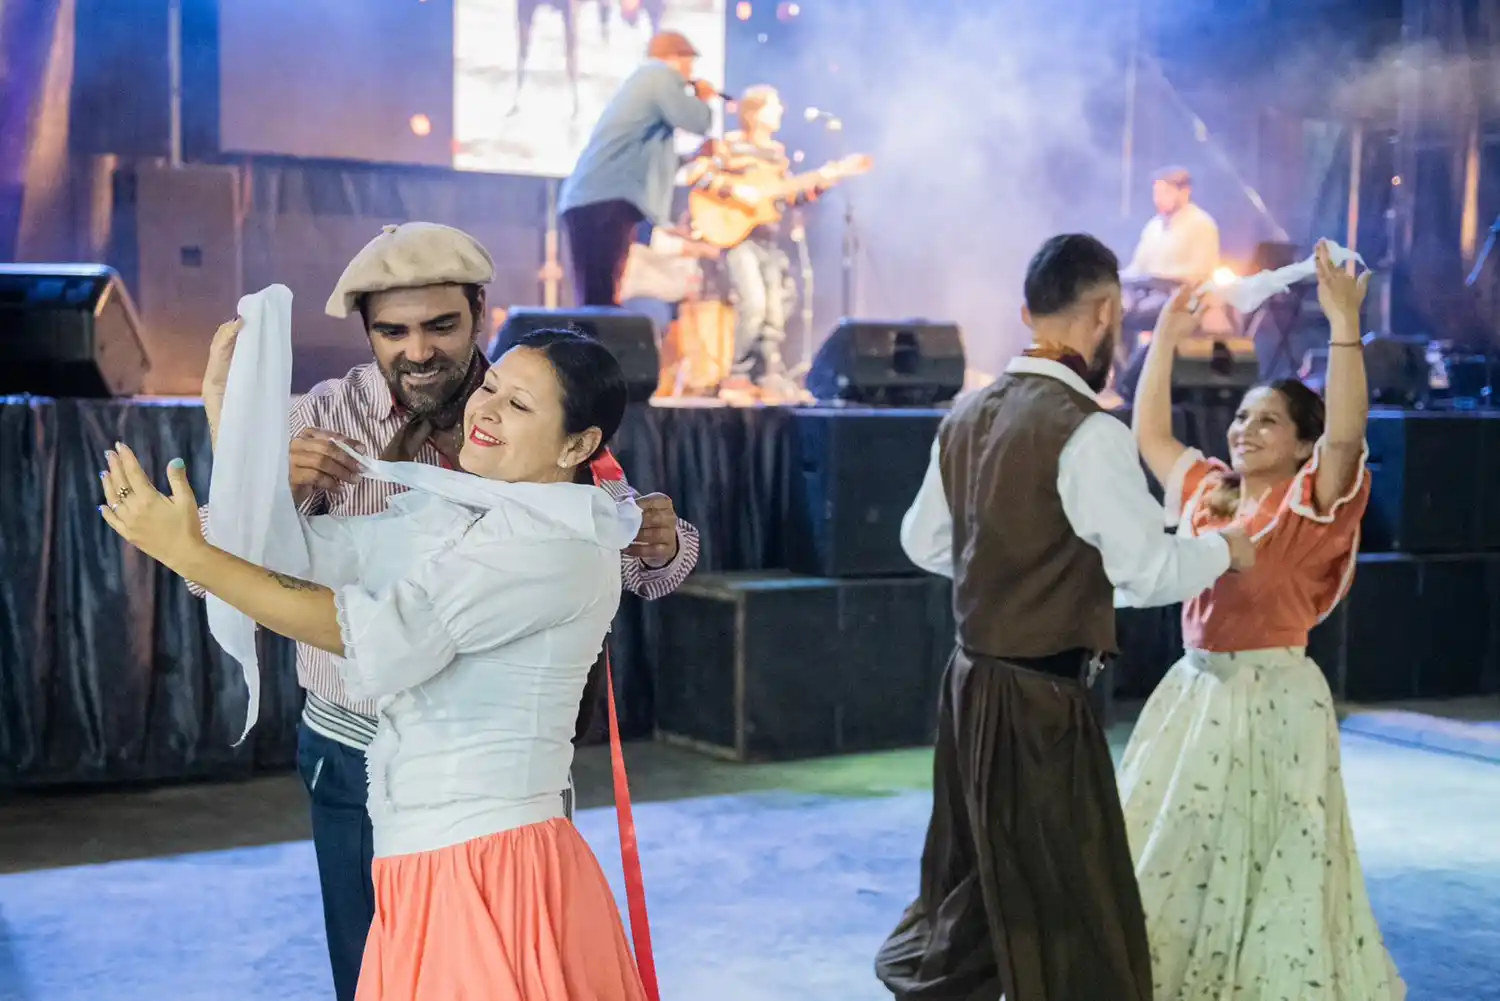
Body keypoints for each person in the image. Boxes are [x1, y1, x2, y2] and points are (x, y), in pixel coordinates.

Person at [190, 222, 700, 1001]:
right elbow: (218, 573)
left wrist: (663, 544)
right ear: (367, 330)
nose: (418, 350)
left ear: (481, 315)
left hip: (493, 787)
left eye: (441, 326)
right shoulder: (319, 416)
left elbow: (628, 553)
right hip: (353, 740)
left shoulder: (542, 401)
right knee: (374, 967)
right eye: (393, 331)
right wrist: (269, 487)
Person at [99, 325, 655, 1001]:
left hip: (491, 865)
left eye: (520, 404)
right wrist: (230, 413)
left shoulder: (556, 544)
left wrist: (190, 554)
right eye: (491, 387)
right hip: (422, 858)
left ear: (578, 445)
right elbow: (298, 553)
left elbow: (368, 629)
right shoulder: (461, 515)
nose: (486, 408)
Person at [880, 233, 1256, 1001]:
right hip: (1040, 701)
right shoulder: (1088, 431)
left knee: (974, 884)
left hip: (969, 687)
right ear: (1108, 312)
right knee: (1072, 904)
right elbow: (1145, 572)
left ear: (1027, 312)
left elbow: (922, 541)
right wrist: (1227, 551)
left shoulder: (966, 413)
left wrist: (1011, 566)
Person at [1120, 241, 1405, 1000]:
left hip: (1275, 701)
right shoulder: (1209, 493)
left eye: (1269, 422)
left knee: (1271, 861)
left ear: (1302, 445)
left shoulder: (1308, 506)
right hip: (1195, 695)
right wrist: (1166, 342)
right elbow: (1151, 436)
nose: (1244, 429)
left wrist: (1344, 323)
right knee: (1171, 850)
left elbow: (1346, 434)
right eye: (1242, 417)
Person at [558, 30, 718, 306]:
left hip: (596, 201)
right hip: (602, 202)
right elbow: (697, 121)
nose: (691, 72)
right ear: (673, 59)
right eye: (689, 63)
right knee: (600, 298)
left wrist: (693, 156)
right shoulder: (656, 75)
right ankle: (594, 347)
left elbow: (650, 157)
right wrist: (703, 98)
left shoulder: (645, 87)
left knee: (601, 295)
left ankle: (595, 345)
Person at [687, 85, 811, 399]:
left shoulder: (777, 155)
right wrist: (735, 190)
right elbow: (696, 173)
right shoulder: (731, 146)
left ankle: (766, 374)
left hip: (769, 238)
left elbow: (790, 196)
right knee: (754, 305)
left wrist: (821, 183)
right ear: (754, 113)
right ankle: (737, 374)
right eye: (773, 105)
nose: (781, 110)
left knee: (775, 311)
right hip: (739, 238)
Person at [1121, 166, 1221, 286]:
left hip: (1186, 300)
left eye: (1165, 193)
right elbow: (1137, 268)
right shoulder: (1153, 227)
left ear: (1185, 192)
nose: (1158, 199)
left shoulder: (1202, 224)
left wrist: (1158, 278)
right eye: (1156, 193)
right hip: (1150, 295)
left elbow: (1200, 272)